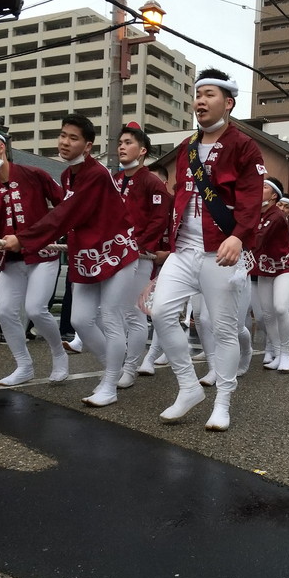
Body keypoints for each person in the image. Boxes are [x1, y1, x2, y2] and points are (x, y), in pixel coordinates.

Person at [151, 68, 265, 431]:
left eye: (209, 94)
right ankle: (188, 387)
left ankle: (223, 402)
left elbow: (251, 199)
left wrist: (239, 236)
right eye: (198, 94)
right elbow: (178, 197)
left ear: (228, 103)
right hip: (184, 250)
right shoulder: (186, 147)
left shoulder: (244, 146)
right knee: (160, 313)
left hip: (221, 251)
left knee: (223, 329)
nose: (200, 101)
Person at [2, 114, 139, 407]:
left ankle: (110, 384)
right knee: (80, 320)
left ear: (88, 146)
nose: (64, 142)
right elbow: (63, 215)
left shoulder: (97, 174)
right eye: (63, 135)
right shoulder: (66, 176)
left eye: (73, 138)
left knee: (111, 318)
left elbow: (64, 215)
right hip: (88, 257)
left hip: (117, 253)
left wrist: (24, 238)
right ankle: (113, 369)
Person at [0, 130, 68, 386]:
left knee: (36, 309)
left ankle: (59, 355)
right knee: (4, 311)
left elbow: (65, 205)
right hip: (10, 259)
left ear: (1, 147)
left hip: (43, 254)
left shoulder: (35, 174)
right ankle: (24, 366)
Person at [113, 122, 171, 388]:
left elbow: (159, 220)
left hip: (139, 256)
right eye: (120, 143)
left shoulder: (152, 183)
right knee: (112, 311)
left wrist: (141, 245)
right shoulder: (114, 180)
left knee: (133, 313)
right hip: (113, 254)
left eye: (128, 143)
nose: (122, 147)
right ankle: (114, 364)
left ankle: (130, 368)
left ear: (143, 150)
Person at [254, 177, 289, 372]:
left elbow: (258, 239)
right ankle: (277, 353)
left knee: (280, 308)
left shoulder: (277, 215)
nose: (259, 189)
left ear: (273, 196)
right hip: (264, 268)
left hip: (283, 268)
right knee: (267, 314)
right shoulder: (257, 212)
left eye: (264, 187)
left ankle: (285, 354)